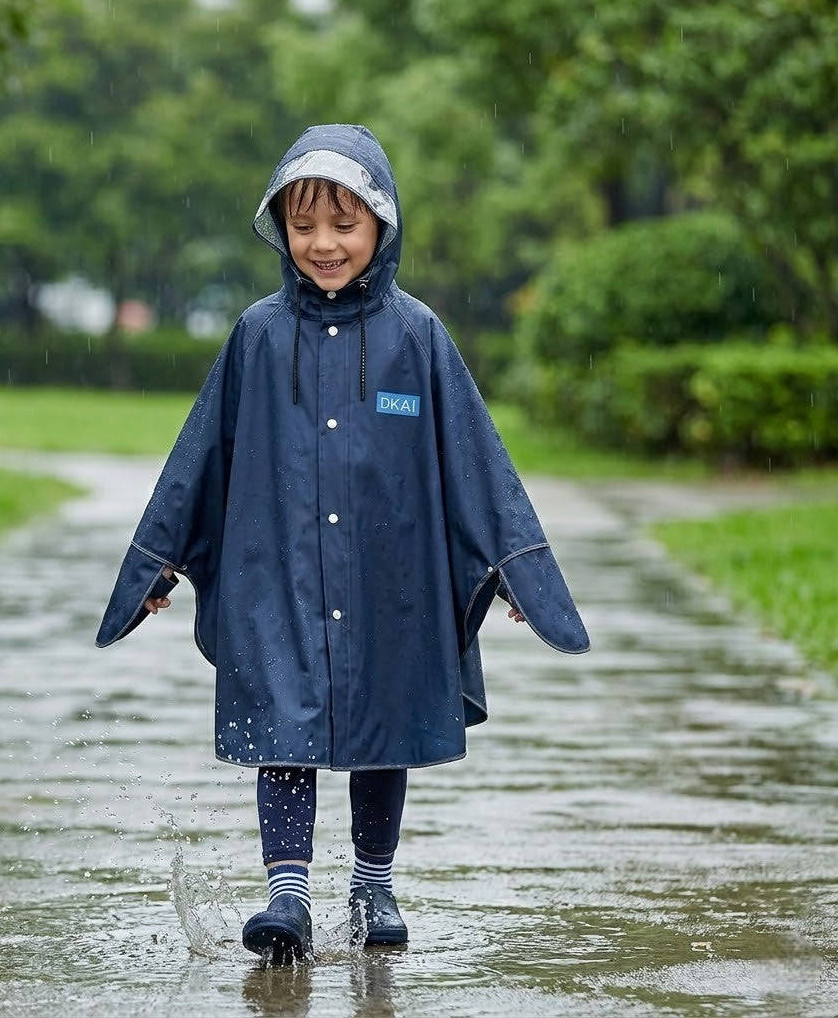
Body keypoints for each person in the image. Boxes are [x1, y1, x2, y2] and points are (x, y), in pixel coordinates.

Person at [96, 124, 589, 964]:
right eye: (303, 225)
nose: (323, 244)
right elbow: (200, 458)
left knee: (382, 721)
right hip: (276, 571)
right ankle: (285, 896)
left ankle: (371, 886)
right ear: (279, 229)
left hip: (387, 576)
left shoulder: (418, 337)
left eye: (344, 224)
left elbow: (473, 459)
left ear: (383, 226)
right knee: (283, 715)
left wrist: (509, 567)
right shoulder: (255, 336)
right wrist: (160, 562)